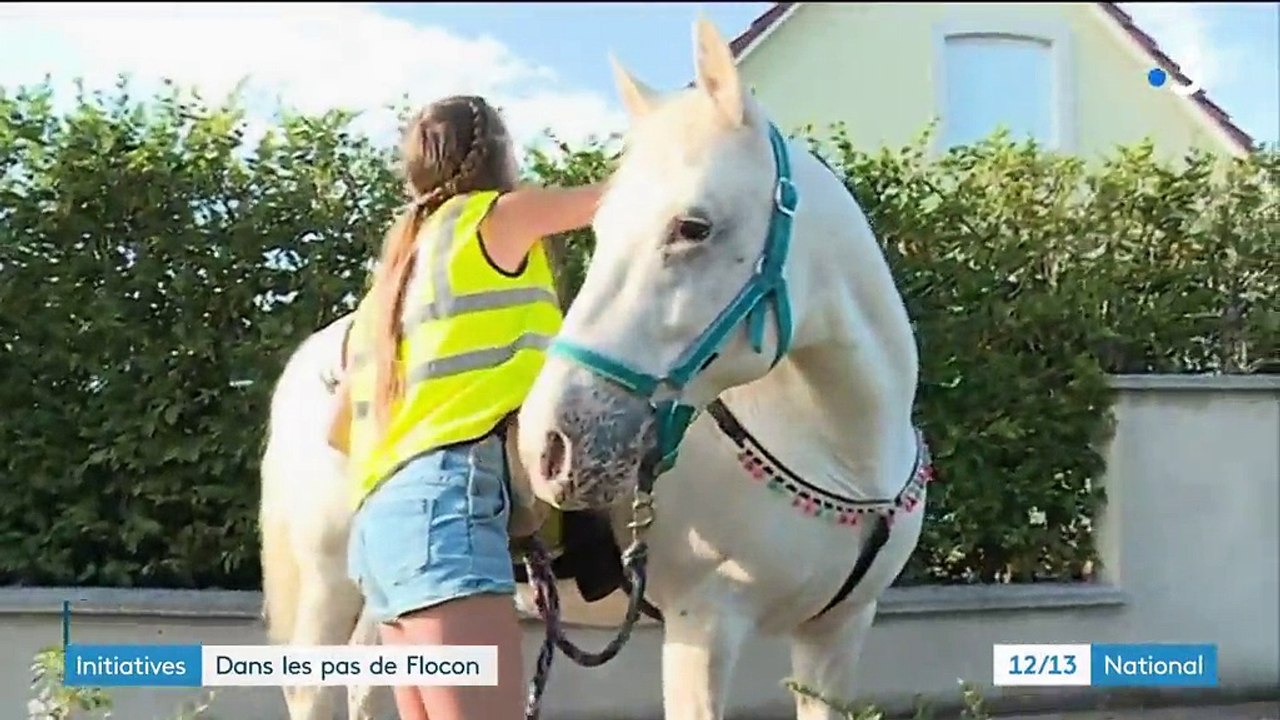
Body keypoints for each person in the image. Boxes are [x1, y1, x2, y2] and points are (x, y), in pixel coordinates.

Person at [327, 94, 605, 720]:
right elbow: (636, 191)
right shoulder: (498, 216)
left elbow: (338, 428)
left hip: (380, 532)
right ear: (501, 154)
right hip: (444, 508)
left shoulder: (393, 279)